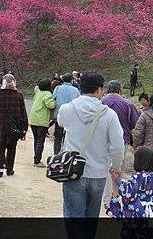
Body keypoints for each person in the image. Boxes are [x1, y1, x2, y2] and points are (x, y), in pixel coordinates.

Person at [57, 72, 124, 228]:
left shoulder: (67, 109)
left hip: (72, 170)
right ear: (100, 90)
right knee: (91, 217)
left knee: (73, 215)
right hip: (98, 172)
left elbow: (60, 122)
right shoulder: (109, 115)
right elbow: (118, 146)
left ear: (80, 87)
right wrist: (116, 167)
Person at [101, 80, 140, 199]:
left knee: (104, 166)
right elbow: (134, 123)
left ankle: (105, 194)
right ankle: (115, 192)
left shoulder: (100, 102)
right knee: (118, 168)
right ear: (120, 90)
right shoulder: (128, 104)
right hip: (122, 140)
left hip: (102, 140)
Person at [0, 74, 28, 177]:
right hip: (14, 126)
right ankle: (10, 169)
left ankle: (0, 170)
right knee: (12, 148)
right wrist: (25, 128)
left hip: (0, 125)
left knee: (0, 147)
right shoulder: (19, 95)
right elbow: (23, 113)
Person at [106, 147, 153, 218]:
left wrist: (117, 180)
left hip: (136, 214)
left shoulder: (137, 177)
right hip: (151, 213)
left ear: (138, 162)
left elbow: (128, 193)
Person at [29, 78, 56, 167]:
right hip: (41, 120)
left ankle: (36, 158)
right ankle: (37, 161)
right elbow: (51, 105)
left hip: (33, 119)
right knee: (40, 141)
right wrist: (55, 100)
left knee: (36, 140)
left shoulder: (38, 93)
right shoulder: (48, 94)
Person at [52, 73, 81, 155]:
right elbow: (79, 103)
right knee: (67, 138)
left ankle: (56, 154)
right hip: (71, 117)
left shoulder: (57, 88)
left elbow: (53, 99)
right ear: (72, 80)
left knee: (57, 137)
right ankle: (65, 155)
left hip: (59, 116)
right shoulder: (76, 90)